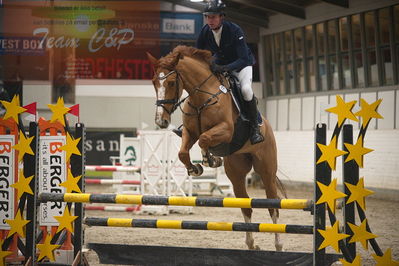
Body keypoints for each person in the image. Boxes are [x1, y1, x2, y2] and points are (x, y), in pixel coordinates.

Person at [174, 0, 264, 144]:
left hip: (242, 66)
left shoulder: (235, 30)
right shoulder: (205, 31)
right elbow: (198, 54)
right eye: (208, 17)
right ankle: (189, 126)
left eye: (213, 17)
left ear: (221, 17)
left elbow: (242, 58)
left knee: (246, 90)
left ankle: (254, 127)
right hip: (220, 66)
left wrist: (224, 68)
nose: (210, 20)